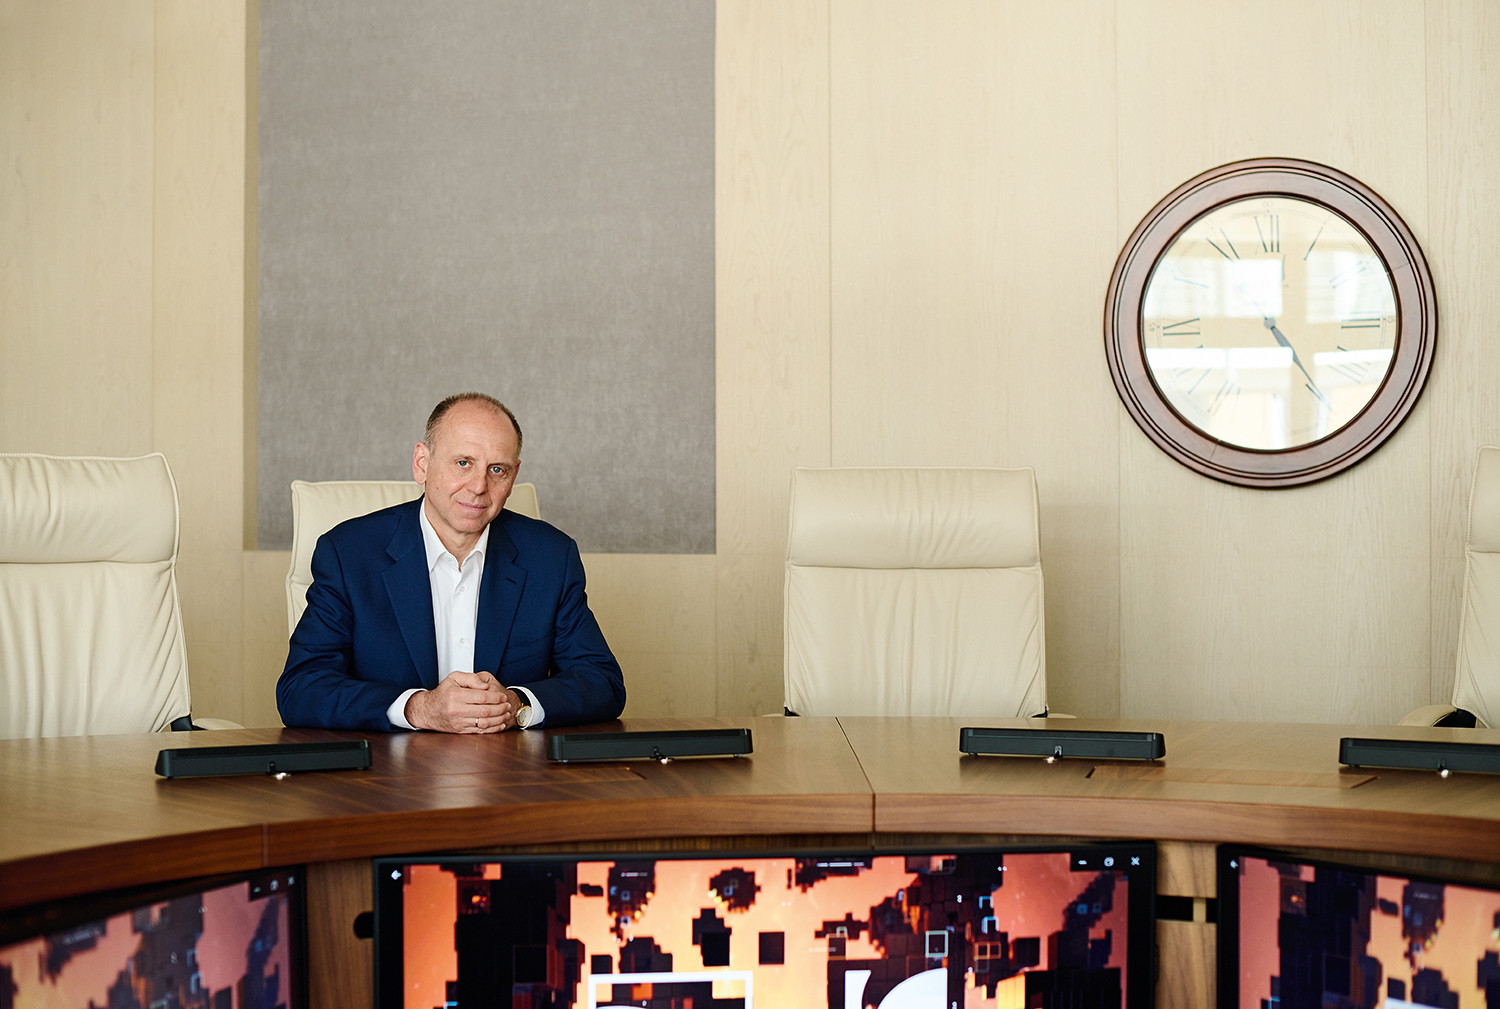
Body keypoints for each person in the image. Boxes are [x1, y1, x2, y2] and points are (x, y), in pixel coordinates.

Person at [276, 393, 626, 733]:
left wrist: (517, 703)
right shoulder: (348, 553)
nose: (479, 486)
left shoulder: (550, 557)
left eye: (497, 469)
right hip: (387, 767)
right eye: (463, 463)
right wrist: (419, 709)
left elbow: (602, 681)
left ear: (513, 477)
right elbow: (301, 688)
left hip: (508, 766)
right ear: (422, 463)